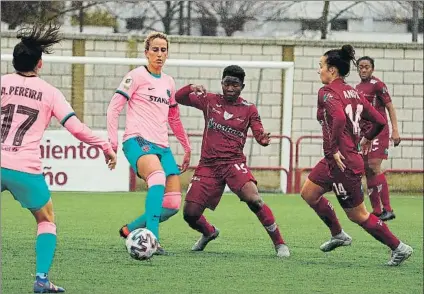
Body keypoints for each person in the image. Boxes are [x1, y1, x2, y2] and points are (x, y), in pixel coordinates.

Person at [1, 24, 117, 293]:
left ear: (14, 61)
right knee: (46, 220)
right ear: (40, 64)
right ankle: (41, 279)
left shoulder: (2, 82)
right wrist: (104, 146)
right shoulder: (50, 92)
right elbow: (76, 128)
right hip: (24, 169)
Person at [300, 44, 412, 266]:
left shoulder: (327, 92)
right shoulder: (355, 93)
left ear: (332, 70)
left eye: (320, 66)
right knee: (309, 193)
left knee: (358, 215)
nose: (318, 70)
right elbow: (380, 121)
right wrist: (366, 138)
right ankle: (338, 235)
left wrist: (333, 149)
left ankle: (399, 247)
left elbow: (340, 118)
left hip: (343, 162)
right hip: (336, 159)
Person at [175, 65, 290, 258]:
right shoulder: (210, 100)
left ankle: (280, 244)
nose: (230, 88)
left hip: (233, 163)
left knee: (254, 199)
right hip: (208, 165)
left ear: (242, 86)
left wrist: (262, 139)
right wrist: (191, 87)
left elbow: (259, 132)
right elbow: (179, 98)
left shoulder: (249, 109)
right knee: (190, 214)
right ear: (222, 83)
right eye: (227, 83)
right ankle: (209, 232)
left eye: (235, 84)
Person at [106, 31, 191, 254]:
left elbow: (174, 117)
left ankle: (130, 229)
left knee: (172, 204)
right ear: (146, 52)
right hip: (137, 141)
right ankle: (152, 238)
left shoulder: (169, 82)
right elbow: (114, 108)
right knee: (157, 177)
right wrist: (111, 144)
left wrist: (186, 146)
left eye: (164, 50)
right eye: (155, 49)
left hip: (162, 146)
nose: (159, 54)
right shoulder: (135, 76)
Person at [355, 56, 400, 221]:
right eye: (361, 67)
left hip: (379, 131)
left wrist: (395, 130)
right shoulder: (357, 88)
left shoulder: (378, 85)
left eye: (367, 67)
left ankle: (388, 208)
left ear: (372, 69)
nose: (364, 70)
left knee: (374, 165)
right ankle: (377, 210)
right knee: (366, 169)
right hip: (365, 134)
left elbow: (390, 107)